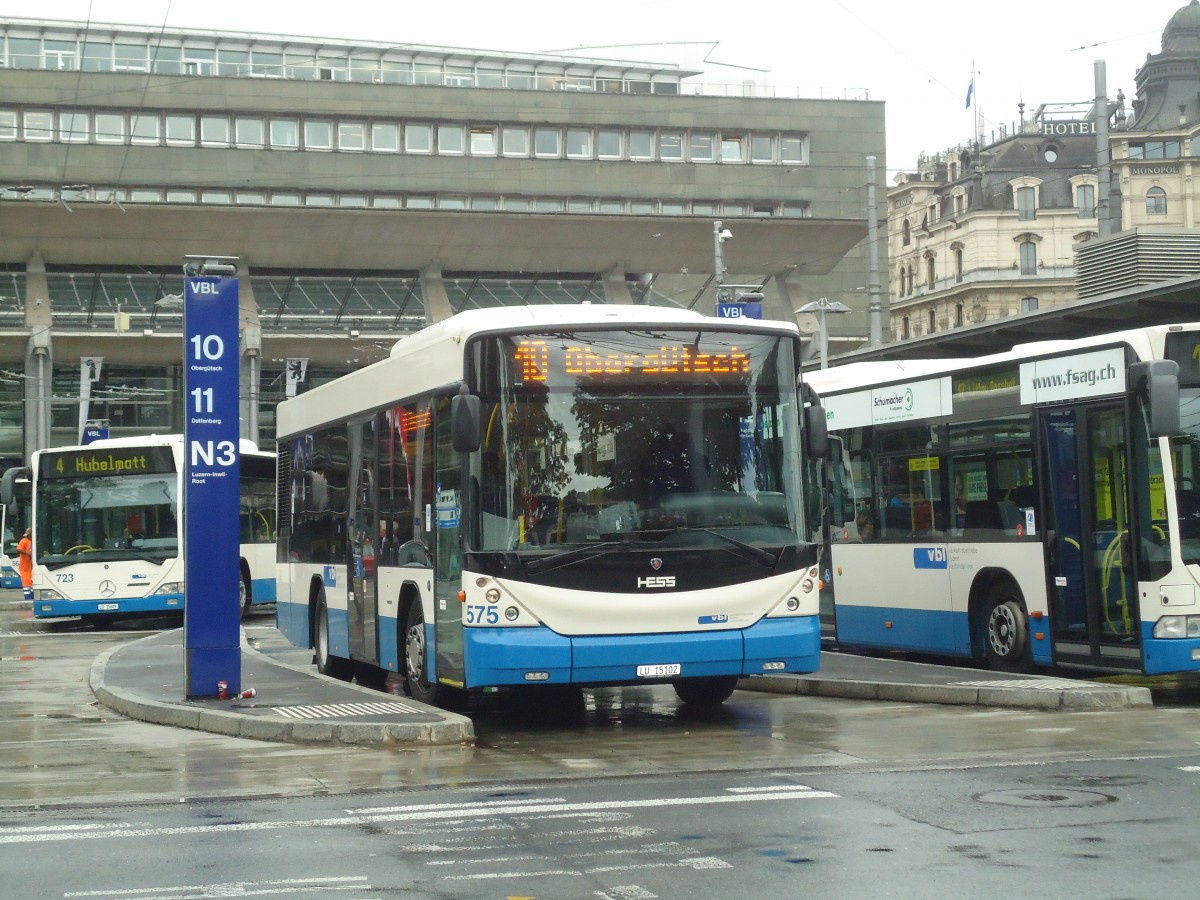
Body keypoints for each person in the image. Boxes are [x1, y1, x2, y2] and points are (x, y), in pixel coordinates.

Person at [17, 527, 32, 602]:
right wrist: (28, 554)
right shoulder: (24, 541)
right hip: (24, 567)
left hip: (31, 567)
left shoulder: (33, 541)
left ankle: (31, 598)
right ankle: (28, 599)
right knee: (26, 584)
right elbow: (19, 549)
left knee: (31, 584)